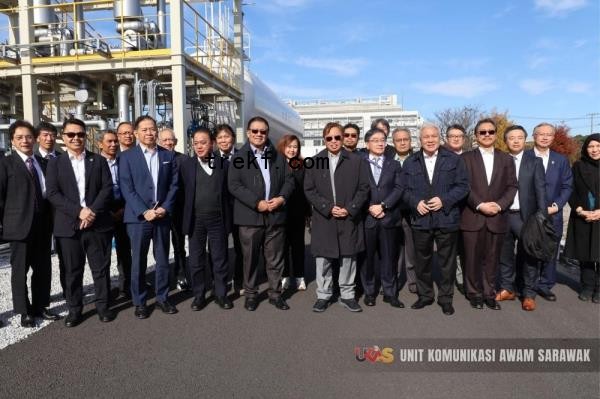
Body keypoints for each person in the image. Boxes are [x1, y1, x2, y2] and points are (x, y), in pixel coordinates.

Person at [46, 118, 115, 327]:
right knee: (72, 271)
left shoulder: (98, 160)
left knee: (100, 268)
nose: (76, 138)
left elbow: (107, 189)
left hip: (97, 224)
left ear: (86, 136)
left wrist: (91, 211)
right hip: (68, 227)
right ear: (63, 137)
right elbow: (52, 193)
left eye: (80, 134)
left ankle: (103, 307)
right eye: (71, 135)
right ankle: (75, 309)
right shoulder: (55, 163)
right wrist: (79, 212)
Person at [227, 116, 294, 311]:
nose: (259, 135)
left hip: (275, 214)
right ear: (248, 133)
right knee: (250, 259)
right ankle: (251, 294)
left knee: (275, 258)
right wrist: (257, 203)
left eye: (263, 131)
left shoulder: (277, 156)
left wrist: (281, 198)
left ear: (267, 133)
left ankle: (275, 294)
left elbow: (289, 181)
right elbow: (234, 185)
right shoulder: (239, 157)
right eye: (255, 131)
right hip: (250, 217)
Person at [401, 124, 469, 315]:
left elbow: (463, 186)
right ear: (419, 140)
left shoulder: (454, 160)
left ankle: (446, 299)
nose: (430, 140)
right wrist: (415, 203)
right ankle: (425, 296)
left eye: (433, 136)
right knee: (422, 261)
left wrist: (444, 200)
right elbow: (403, 190)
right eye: (426, 137)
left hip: (446, 219)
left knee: (446, 263)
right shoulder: (410, 162)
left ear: (439, 138)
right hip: (420, 220)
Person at [304, 122, 370, 313]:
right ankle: (323, 295)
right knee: (323, 258)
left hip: (348, 217)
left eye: (337, 137)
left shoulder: (356, 161)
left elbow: (363, 188)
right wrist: (328, 207)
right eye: (329, 138)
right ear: (324, 139)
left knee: (348, 258)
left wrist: (350, 209)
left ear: (343, 138)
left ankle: (347, 295)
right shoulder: (315, 161)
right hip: (324, 218)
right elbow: (309, 190)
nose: (333, 141)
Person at [119, 116, 179, 319]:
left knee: (162, 259)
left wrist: (165, 208)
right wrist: (144, 211)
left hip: (161, 216)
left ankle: (163, 297)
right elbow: (127, 188)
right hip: (139, 219)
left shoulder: (167, 156)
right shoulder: (127, 157)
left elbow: (174, 185)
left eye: (152, 129)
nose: (149, 133)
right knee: (139, 261)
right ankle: (140, 301)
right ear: (136, 133)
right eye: (144, 129)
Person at [0, 120, 59, 328]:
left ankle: (41, 306)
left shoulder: (43, 163)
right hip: (19, 226)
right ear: (13, 141)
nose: (25, 141)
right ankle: (24, 311)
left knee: (43, 268)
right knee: (20, 271)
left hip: (43, 224)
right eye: (20, 137)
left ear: (35, 139)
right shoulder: (5, 164)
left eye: (28, 137)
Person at [460, 118, 518, 310]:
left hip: (497, 217)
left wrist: (500, 205)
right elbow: (463, 186)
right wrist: (479, 205)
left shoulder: (506, 159)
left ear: (495, 134)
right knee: (472, 258)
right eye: (482, 132)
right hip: (472, 216)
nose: (487, 135)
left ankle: (489, 293)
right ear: (476, 136)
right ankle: (474, 293)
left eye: (490, 132)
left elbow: (512, 186)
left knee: (492, 259)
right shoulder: (465, 158)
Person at [496, 125, 547, 311]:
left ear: (525, 140)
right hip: (502, 215)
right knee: (504, 255)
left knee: (529, 257)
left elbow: (541, 191)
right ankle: (507, 288)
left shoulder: (534, 162)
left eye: (519, 137)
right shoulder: (499, 160)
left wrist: (542, 216)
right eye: (511, 137)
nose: (516, 141)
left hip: (526, 217)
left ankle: (529, 294)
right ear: (505, 140)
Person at [181, 128, 232, 310]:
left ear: (212, 143)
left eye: (203, 142)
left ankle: (221, 294)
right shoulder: (186, 165)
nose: (199, 146)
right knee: (196, 259)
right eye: (196, 143)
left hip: (218, 218)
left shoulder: (223, 164)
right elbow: (180, 193)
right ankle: (199, 295)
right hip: (196, 220)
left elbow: (229, 193)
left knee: (219, 258)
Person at [527, 123, 573, 302]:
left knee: (551, 250)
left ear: (553, 138)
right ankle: (527, 283)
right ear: (534, 135)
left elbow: (567, 185)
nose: (545, 137)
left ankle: (545, 284)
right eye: (541, 134)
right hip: (530, 213)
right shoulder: (525, 156)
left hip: (553, 212)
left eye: (549, 135)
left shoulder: (560, 160)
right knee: (529, 248)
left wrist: (558, 205)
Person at [360, 128, 404, 308]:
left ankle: (390, 293)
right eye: (376, 140)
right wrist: (369, 207)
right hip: (367, 218)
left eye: (383, 140)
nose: (380, 143)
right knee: (367, 258)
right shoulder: (359, 163)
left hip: (388, 217)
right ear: (367, 143)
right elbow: (355, 189)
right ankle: (369, 292)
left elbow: (399, 188)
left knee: (389, 258)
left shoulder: (394, 165)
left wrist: (384, 205)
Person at [564, 134, 600, 303]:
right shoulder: (578, 166)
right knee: (584, 254)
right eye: (591, 146)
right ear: (586, 148)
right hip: (582, 215)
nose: (594, 150)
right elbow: (570, 189)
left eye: (598, 146)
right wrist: (580, 210)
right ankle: (587, 286)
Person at [98, 130, 132, 300]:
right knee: (103, 256)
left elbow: (131, 185)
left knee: (125, 252)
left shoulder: (124, 161)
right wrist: (107, 211)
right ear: (100, 144)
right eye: (109, 142)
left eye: (115, 142)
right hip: (103, 213)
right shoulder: (95, 163)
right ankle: (105, 292)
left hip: (124, 210)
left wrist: (125, 208)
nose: (113, 145)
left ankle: (125, 287)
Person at [35, 121, 66, 296]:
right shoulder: (33, 159)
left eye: (52, 135)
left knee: (65, 255)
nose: (49, 138)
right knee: (42, 259)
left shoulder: (62, 157)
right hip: (40, 214)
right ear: (38, 138)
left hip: (62, 214)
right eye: (45, 135)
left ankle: (68, 290)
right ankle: (43, 298)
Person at [277, 134, 310, 291]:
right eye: (289, 146)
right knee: (281, 246)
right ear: (283, 147)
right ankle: (284, 276)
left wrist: (308, 212)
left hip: (298, 211)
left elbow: (307, 190)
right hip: (279, 211)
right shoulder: (275, 163)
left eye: (295, 147)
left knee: (298, 246)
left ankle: (299, 276)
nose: (292, 149)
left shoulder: (303, 164)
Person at [158, 127, 189, 291]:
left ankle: (181, 274)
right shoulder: (154, 158)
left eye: (172, 140)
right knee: (160, 247)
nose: (169, 143)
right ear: (159, 141)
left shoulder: (184, 160)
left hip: (178, 210)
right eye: (165, 140)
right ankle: (161, 278)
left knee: (179, 245)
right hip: (159, 211)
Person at [213, 124, 242, 293]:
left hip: (240, 208)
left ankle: (239, 279)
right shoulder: (211, 158)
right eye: (220, 137)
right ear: (216, 141)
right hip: (219, 210)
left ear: (233, 138)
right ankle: (219, 281)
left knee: (241, 248)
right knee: (219, 248)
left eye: (227, 136)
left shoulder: (243, 156)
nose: (224, 140)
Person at [391, 127, 417, 294]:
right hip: (391, 211)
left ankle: (413, 281)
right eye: (398, 140)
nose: (402, 143)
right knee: (392, 249)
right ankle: (392, 280)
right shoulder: (387, 160)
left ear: (410, 141)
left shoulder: (417, 160)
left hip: (411, 211)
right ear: (393, 143)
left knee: (411, 249)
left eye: (405, 139)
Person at [445, 124, 467, 295]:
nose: (456, 138)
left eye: (459, 136)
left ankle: (465, 277)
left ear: (464, 139)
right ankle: (454, 278)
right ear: (447, 138)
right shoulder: (441, 157)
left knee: (466, 246)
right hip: (447, 209)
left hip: (469, 208)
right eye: (452, 136)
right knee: (450, 247)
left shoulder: (470, 157)